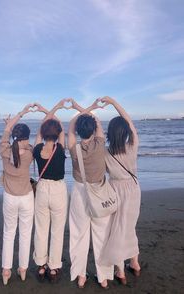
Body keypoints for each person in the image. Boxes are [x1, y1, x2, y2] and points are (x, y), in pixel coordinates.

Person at [67, 98, 114, 289]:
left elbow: (70, 129)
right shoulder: (100, 143)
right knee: (101, 235)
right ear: (94, 130)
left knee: (79, 235)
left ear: (78, 131)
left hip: (80, 191)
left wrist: (76, 110)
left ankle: (81, 275)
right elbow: (98, 124)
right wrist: (91, 107)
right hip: (99, 192)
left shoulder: (74, 148)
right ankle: (103, 277)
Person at [98, 96, 141, 285]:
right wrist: (114, 103)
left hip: (115, 188)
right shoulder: (132, 146)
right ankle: (135, 263)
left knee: (117, 228)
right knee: (130, 226)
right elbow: (129, 122)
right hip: (133, 188)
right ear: (125, 132)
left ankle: (120, 271)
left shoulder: (106, 152)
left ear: (110, 133)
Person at [32, 99, 68, 283]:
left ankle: (41, 265)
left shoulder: (37, 148)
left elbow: (40, 128)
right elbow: (60, 125)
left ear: (44, 133)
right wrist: (58, 108)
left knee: (41, 228)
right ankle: (53, 267)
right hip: (58, 189)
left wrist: (45, 110)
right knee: (57, 230)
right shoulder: (60, 148)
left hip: (43, 188)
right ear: (58, 133)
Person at [0, 105, 34, 285]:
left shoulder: (4, 150)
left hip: (10, 197)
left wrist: (17, 118)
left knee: (8, 233)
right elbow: (25, 144)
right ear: (26, 138)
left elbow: (7, 136)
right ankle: (22, 269)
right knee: (25, 234)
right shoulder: (29, 153)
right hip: (26, 197)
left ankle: (6, 270)